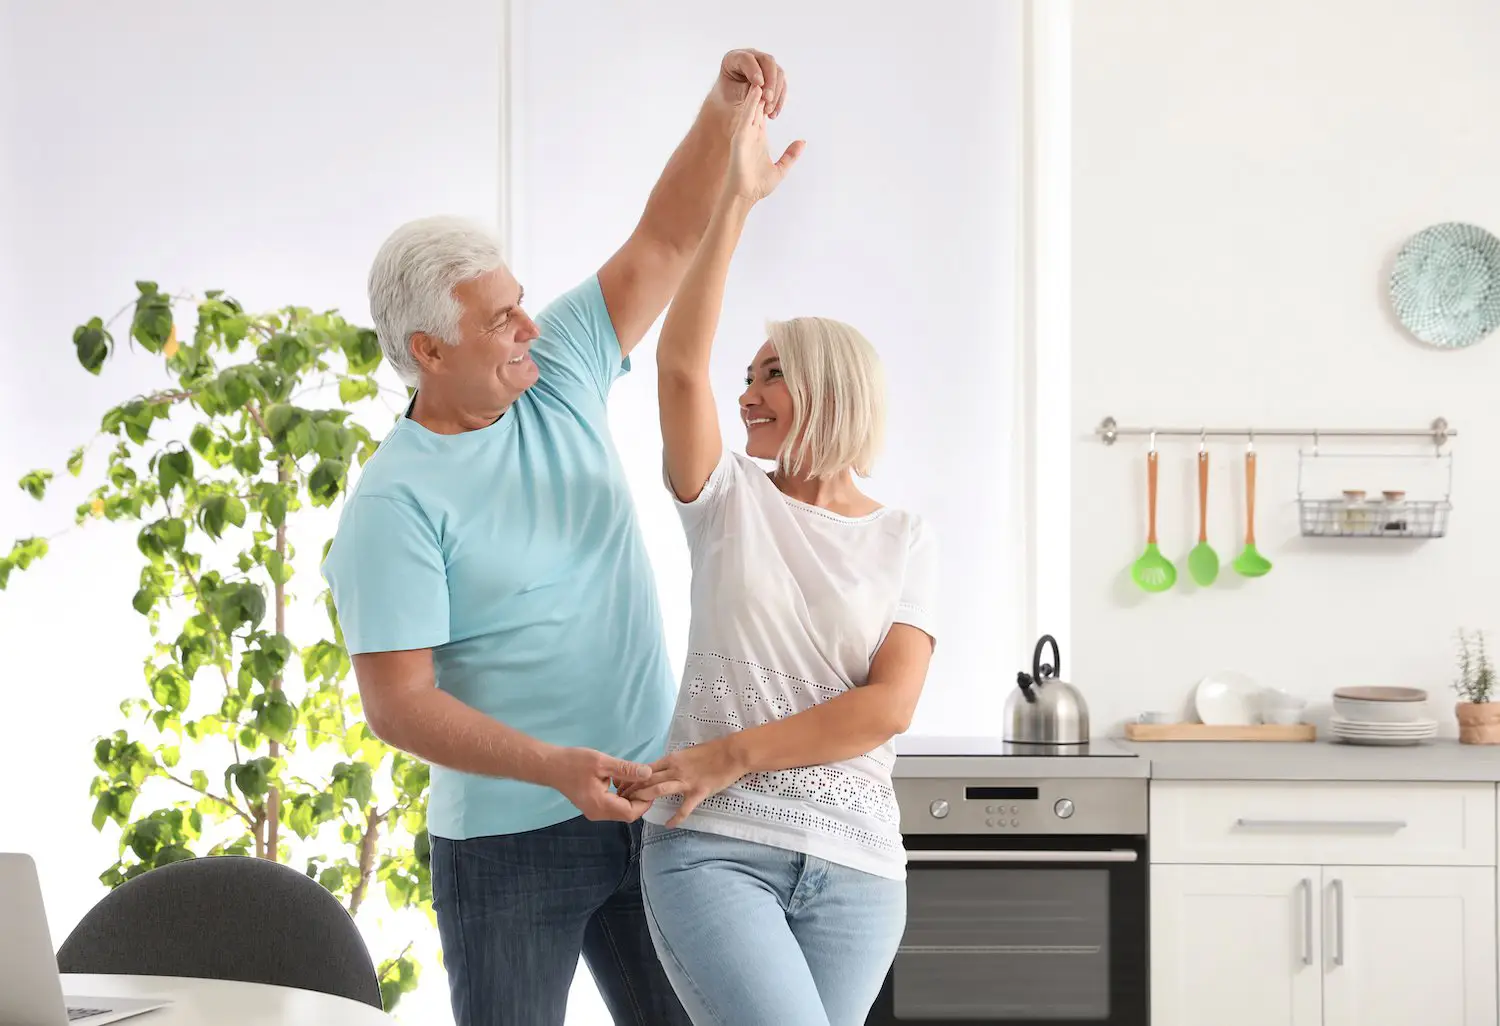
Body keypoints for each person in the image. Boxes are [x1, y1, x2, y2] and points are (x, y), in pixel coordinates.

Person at [320, 50, 791, 1026]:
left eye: (520, 299)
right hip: (507, 841)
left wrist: (721, 113)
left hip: (656, 808)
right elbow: (397, 705)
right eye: (500, 319)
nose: (529, 324)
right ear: (429, 351)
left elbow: (664, 237)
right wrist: (551, 768)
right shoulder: (392, 506)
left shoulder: (561, 365)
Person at [624, 89, 939, 1026]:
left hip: (858, 867)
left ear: (831, 388)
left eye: (772, 372)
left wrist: (730, 751)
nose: (746, 392)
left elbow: (887, 708)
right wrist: (736, 202)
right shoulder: (726, 501)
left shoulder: (904, 537)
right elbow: (678, 366)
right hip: (713, 847)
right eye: (748, 374)